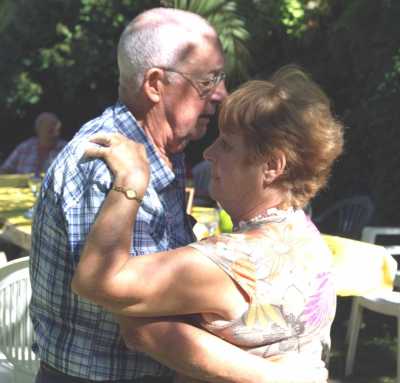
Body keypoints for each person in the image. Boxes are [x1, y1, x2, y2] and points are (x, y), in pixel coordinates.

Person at [29, 8, 306, 383]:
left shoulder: (160, 151)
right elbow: (138, 320)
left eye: (220, 79)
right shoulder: (107, 165)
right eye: (208, 82)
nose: (221, 95)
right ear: (156, 84)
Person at [72, 65, 344, 382]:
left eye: (227, 144)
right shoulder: (305, 236)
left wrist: (130, 182)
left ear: (271, 166)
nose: (209, 153)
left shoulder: (233, 261)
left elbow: (95, 281)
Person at [0, 112, 66, 175]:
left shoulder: (66, 149)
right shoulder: (25, 147)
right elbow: (4, 170)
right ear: (39, 129)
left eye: (57, 130)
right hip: (23, 186)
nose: (56, 134)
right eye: (50, 130)